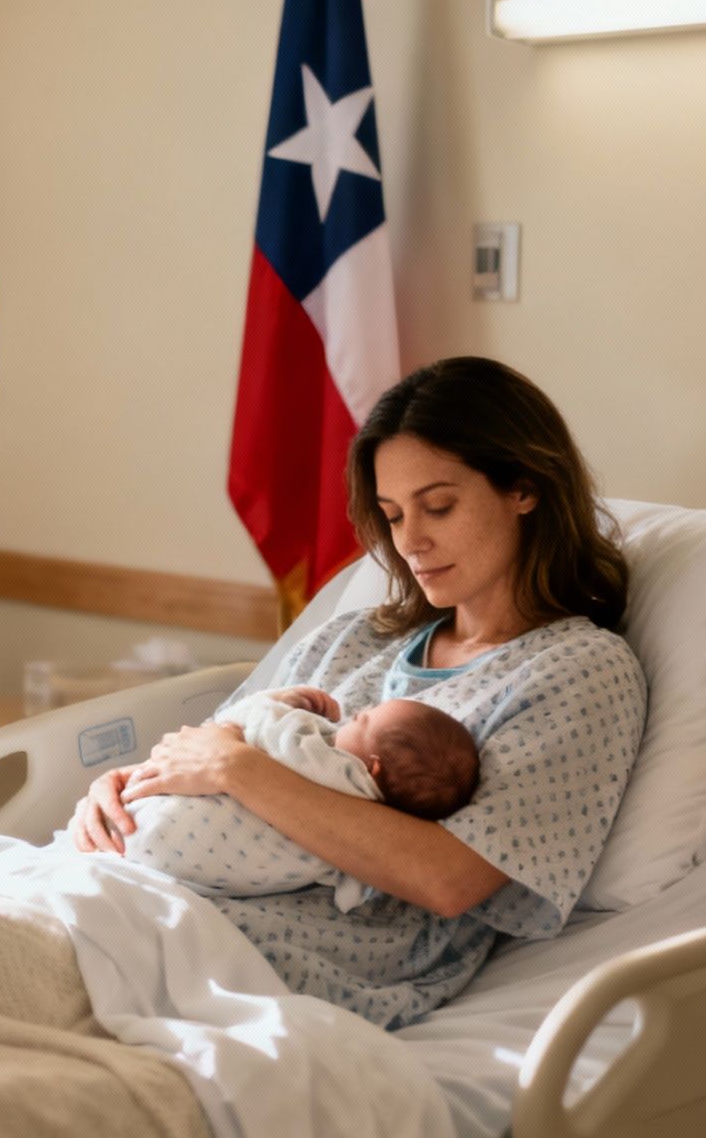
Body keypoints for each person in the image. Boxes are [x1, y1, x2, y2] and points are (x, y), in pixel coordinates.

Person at [68, 356, 648, 1030]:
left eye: (439, 506)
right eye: (393, 515)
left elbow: (451, 879)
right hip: (130, 882)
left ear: (524, 487)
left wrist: (236, 768)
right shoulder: (355, 637)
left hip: (271, 949)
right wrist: (120, 791)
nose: (411, 543)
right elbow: (205, 753)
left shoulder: (578, 671)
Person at [113, 687, 478, 904]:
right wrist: (117, 780)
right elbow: (190, 757)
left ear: (374, 767)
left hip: (163, 835)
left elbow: (258, 730)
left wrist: (282, 701)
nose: (350, 717)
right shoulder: (369, 822)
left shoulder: (333, 768)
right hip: (192, 870)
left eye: (361, 722)